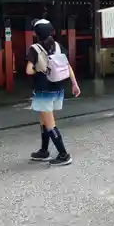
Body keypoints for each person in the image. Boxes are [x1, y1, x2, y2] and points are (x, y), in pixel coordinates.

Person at [26, 19, 80, 166]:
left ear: (36, 33)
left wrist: (40, 69)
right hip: (58, 88)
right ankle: (44, 151)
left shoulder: (34, 48)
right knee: (43, 120)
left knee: (49, 124)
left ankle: (64, 154)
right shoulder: (57, 46)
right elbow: (68, 66)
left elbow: (28, 70)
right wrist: (74, 84)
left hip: (44, 90)